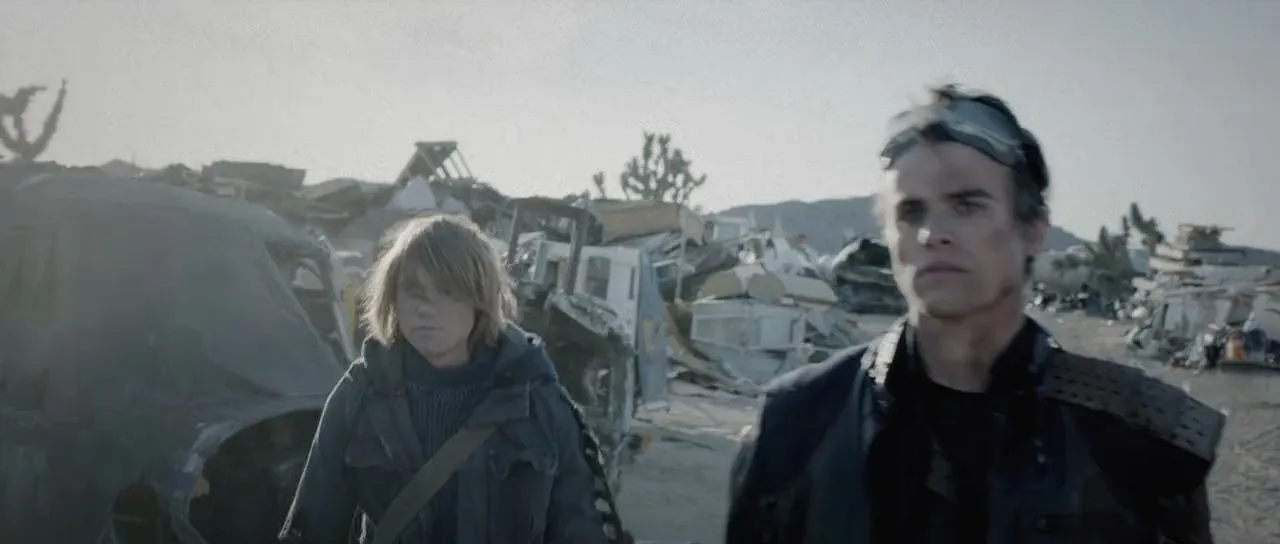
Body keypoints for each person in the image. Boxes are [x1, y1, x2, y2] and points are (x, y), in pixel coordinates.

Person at [725, 84, 1226, 543]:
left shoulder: (1136, 439)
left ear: (1032, 229)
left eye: (966, 206)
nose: (932, 234)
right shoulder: (797, 422)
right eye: (911, 212)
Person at [279, 215, 623, 544]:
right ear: (392, 298)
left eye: (447, 291)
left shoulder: (536, 399)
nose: (426, 307)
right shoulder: (362, 394)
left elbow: (581, 530)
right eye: (413, 290)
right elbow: (311, 529)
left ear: (480, 299)